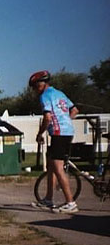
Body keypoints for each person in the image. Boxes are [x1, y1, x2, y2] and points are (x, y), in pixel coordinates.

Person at [29, 70, 80, 213]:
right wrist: (66, 121)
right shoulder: (60, 93)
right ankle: (48, 199)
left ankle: (70, 203)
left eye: (35, 86)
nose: (34, 90)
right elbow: (75, 110)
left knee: (58, 167)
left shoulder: (45, 96)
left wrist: (40, 133)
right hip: (66, 131)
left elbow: (47, 118)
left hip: (59, 133)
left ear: (42, 84)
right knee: (51, 164)